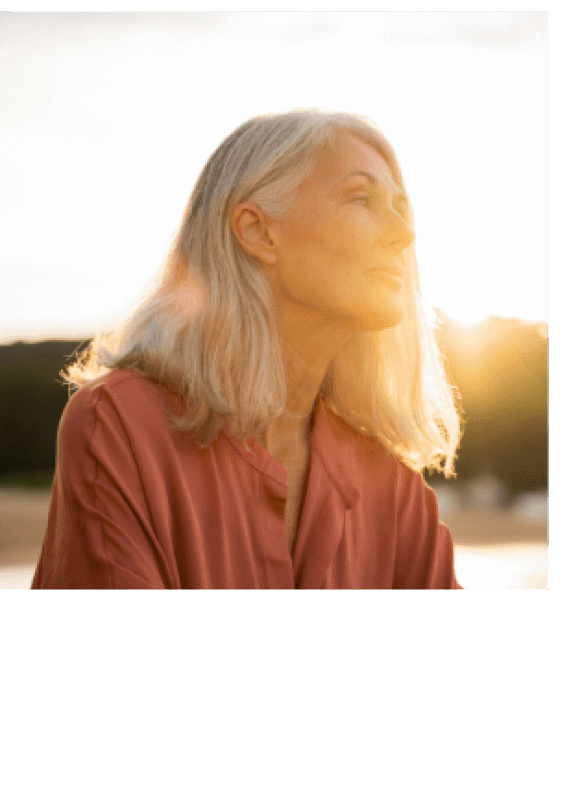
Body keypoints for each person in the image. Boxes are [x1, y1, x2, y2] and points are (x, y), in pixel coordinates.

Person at [32, 110, 464, 589]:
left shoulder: (393, 490)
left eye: (400, 208)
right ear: (257, 231)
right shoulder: (118, 427)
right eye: (361, 199)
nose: (404, 234)